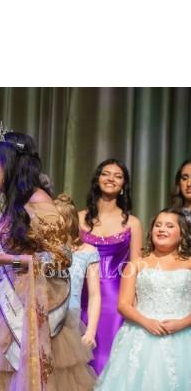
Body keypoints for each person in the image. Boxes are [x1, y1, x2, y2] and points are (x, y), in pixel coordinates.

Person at [0, 121, 96, 391]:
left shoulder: (39, 200)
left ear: (8, 162)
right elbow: (26, 242)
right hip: (9, 304)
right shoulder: (14, 202)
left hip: (32, 309)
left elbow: (61, 259)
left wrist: (8, 258)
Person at [96, 209, 191, 391]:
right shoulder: (136, 265)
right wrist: (146, 322)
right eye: (158, 225)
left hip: (183, 337)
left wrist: (182, 323)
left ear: (182, 233)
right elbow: (123, 305)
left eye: (169, 226)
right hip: (141, 337)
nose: (162, 229)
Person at [78, 159, 143, 375]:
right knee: (79, 356)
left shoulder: (132, 223)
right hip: (80, 294)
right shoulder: (79, 218)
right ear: (97, 179)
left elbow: (135, 266)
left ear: (124, 185)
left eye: (118, 176)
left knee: (107, 356)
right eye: (106, 174)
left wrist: (134, 303)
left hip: (115, 297)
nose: (111, 179)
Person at [54, 194, 101, 349]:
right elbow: (20, 264)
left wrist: (90, 332)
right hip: (42, 320)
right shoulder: (42, 250)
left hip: (69, 322)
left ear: (68, 221)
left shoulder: (88, 252)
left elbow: (94, 295)